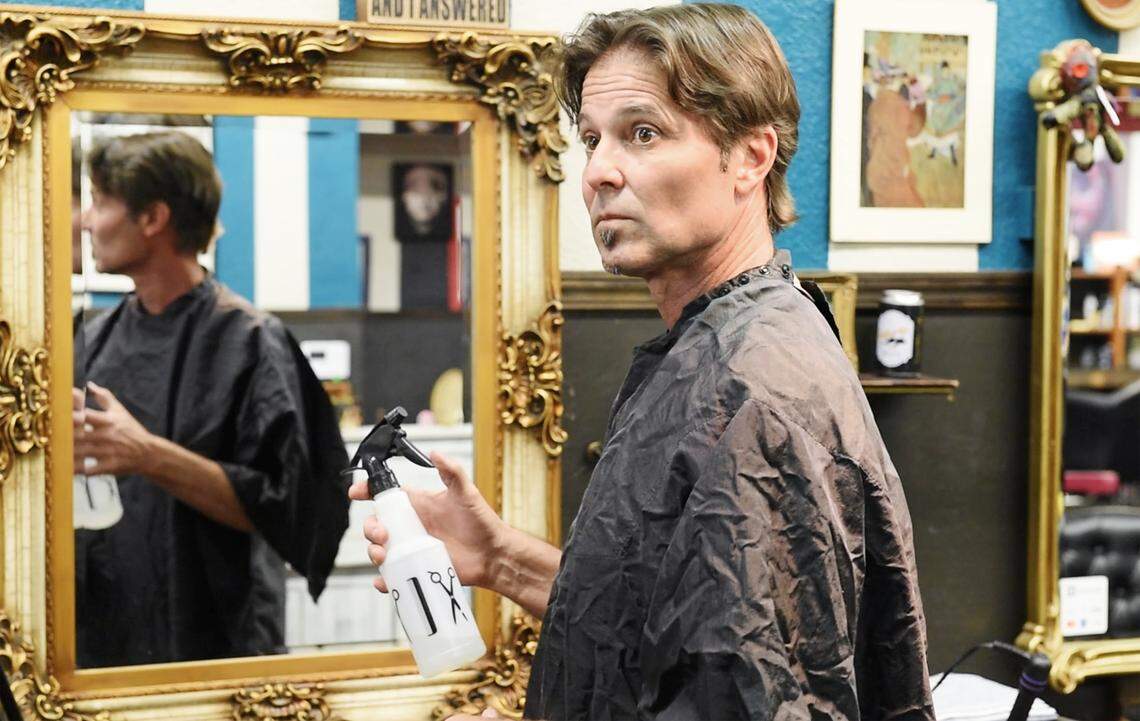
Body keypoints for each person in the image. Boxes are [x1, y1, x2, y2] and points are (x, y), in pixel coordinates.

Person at [350, 5, 934, 719]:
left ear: (751, 156)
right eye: (592, 139)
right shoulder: (716, 343)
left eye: (643, 133)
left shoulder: (753, 389)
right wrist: (501, 558)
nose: (597, 172)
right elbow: (668, 625)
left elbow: (757, 692)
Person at [74, 130, 350, 667]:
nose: (87, 221)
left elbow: (288, 509)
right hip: (108, 645)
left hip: (219, 644)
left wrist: (148, 455)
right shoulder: (92, 338)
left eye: (101, 203)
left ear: (152, 218)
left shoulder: (251, 342)